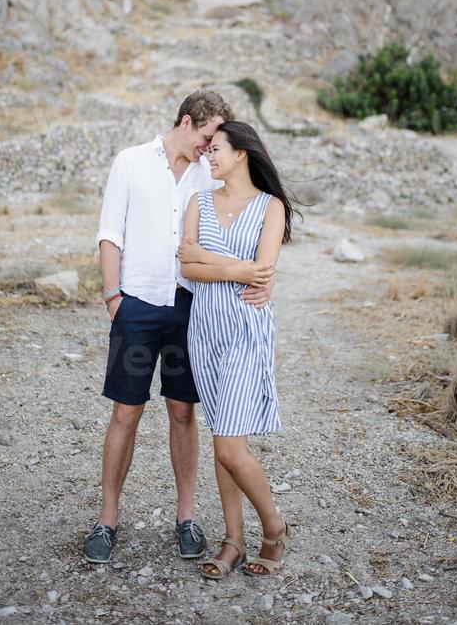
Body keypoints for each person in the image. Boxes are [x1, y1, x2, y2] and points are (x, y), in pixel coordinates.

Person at [83, 90, 235, 565]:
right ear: (188, 122)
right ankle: (107, 519)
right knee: (125, 413)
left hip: (188, 309)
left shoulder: (209, 175)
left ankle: (186, 517)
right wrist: (114, 300)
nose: (210, 148)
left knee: (183, 413)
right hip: (137, 308)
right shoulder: (130, 162)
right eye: (208, 136)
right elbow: (111, 232)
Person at [178, 121, 298, 578]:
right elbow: (186, 264)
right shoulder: (198, 202)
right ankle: (233, 540)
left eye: (217, 149)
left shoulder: (270, 208)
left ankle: (273, 526)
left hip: (247, 328)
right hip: (204, 329)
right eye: (207, 149)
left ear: (242, 153)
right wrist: (236, 267)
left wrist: (210, 260)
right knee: (223, 436)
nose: (208, 156)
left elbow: (262, 273)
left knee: (229, 445)